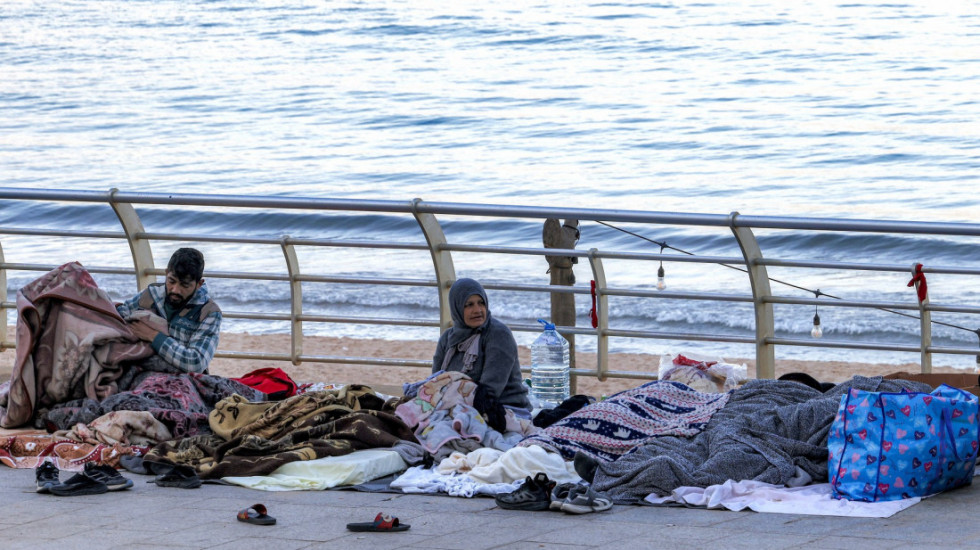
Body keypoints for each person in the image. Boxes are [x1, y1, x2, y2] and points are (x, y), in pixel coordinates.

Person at [115, 247, 221, 374]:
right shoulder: (150, 295)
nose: (175, 290)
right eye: (171, 281)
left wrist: (152, 336)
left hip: (182, 380)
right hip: (141, 371)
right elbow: (119, 315)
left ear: (199, 284)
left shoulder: (209, 313)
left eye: (184, 285)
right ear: (166, 273)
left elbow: (195, 362)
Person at [432, 278, 531, 411]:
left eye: (481, 303)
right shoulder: (448, 337)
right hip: (456, 405)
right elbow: (436, 381)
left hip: (502, 408)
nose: (477, 310)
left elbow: (490, 391)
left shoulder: (498, 334)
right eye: (469, 305)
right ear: (457, 307)